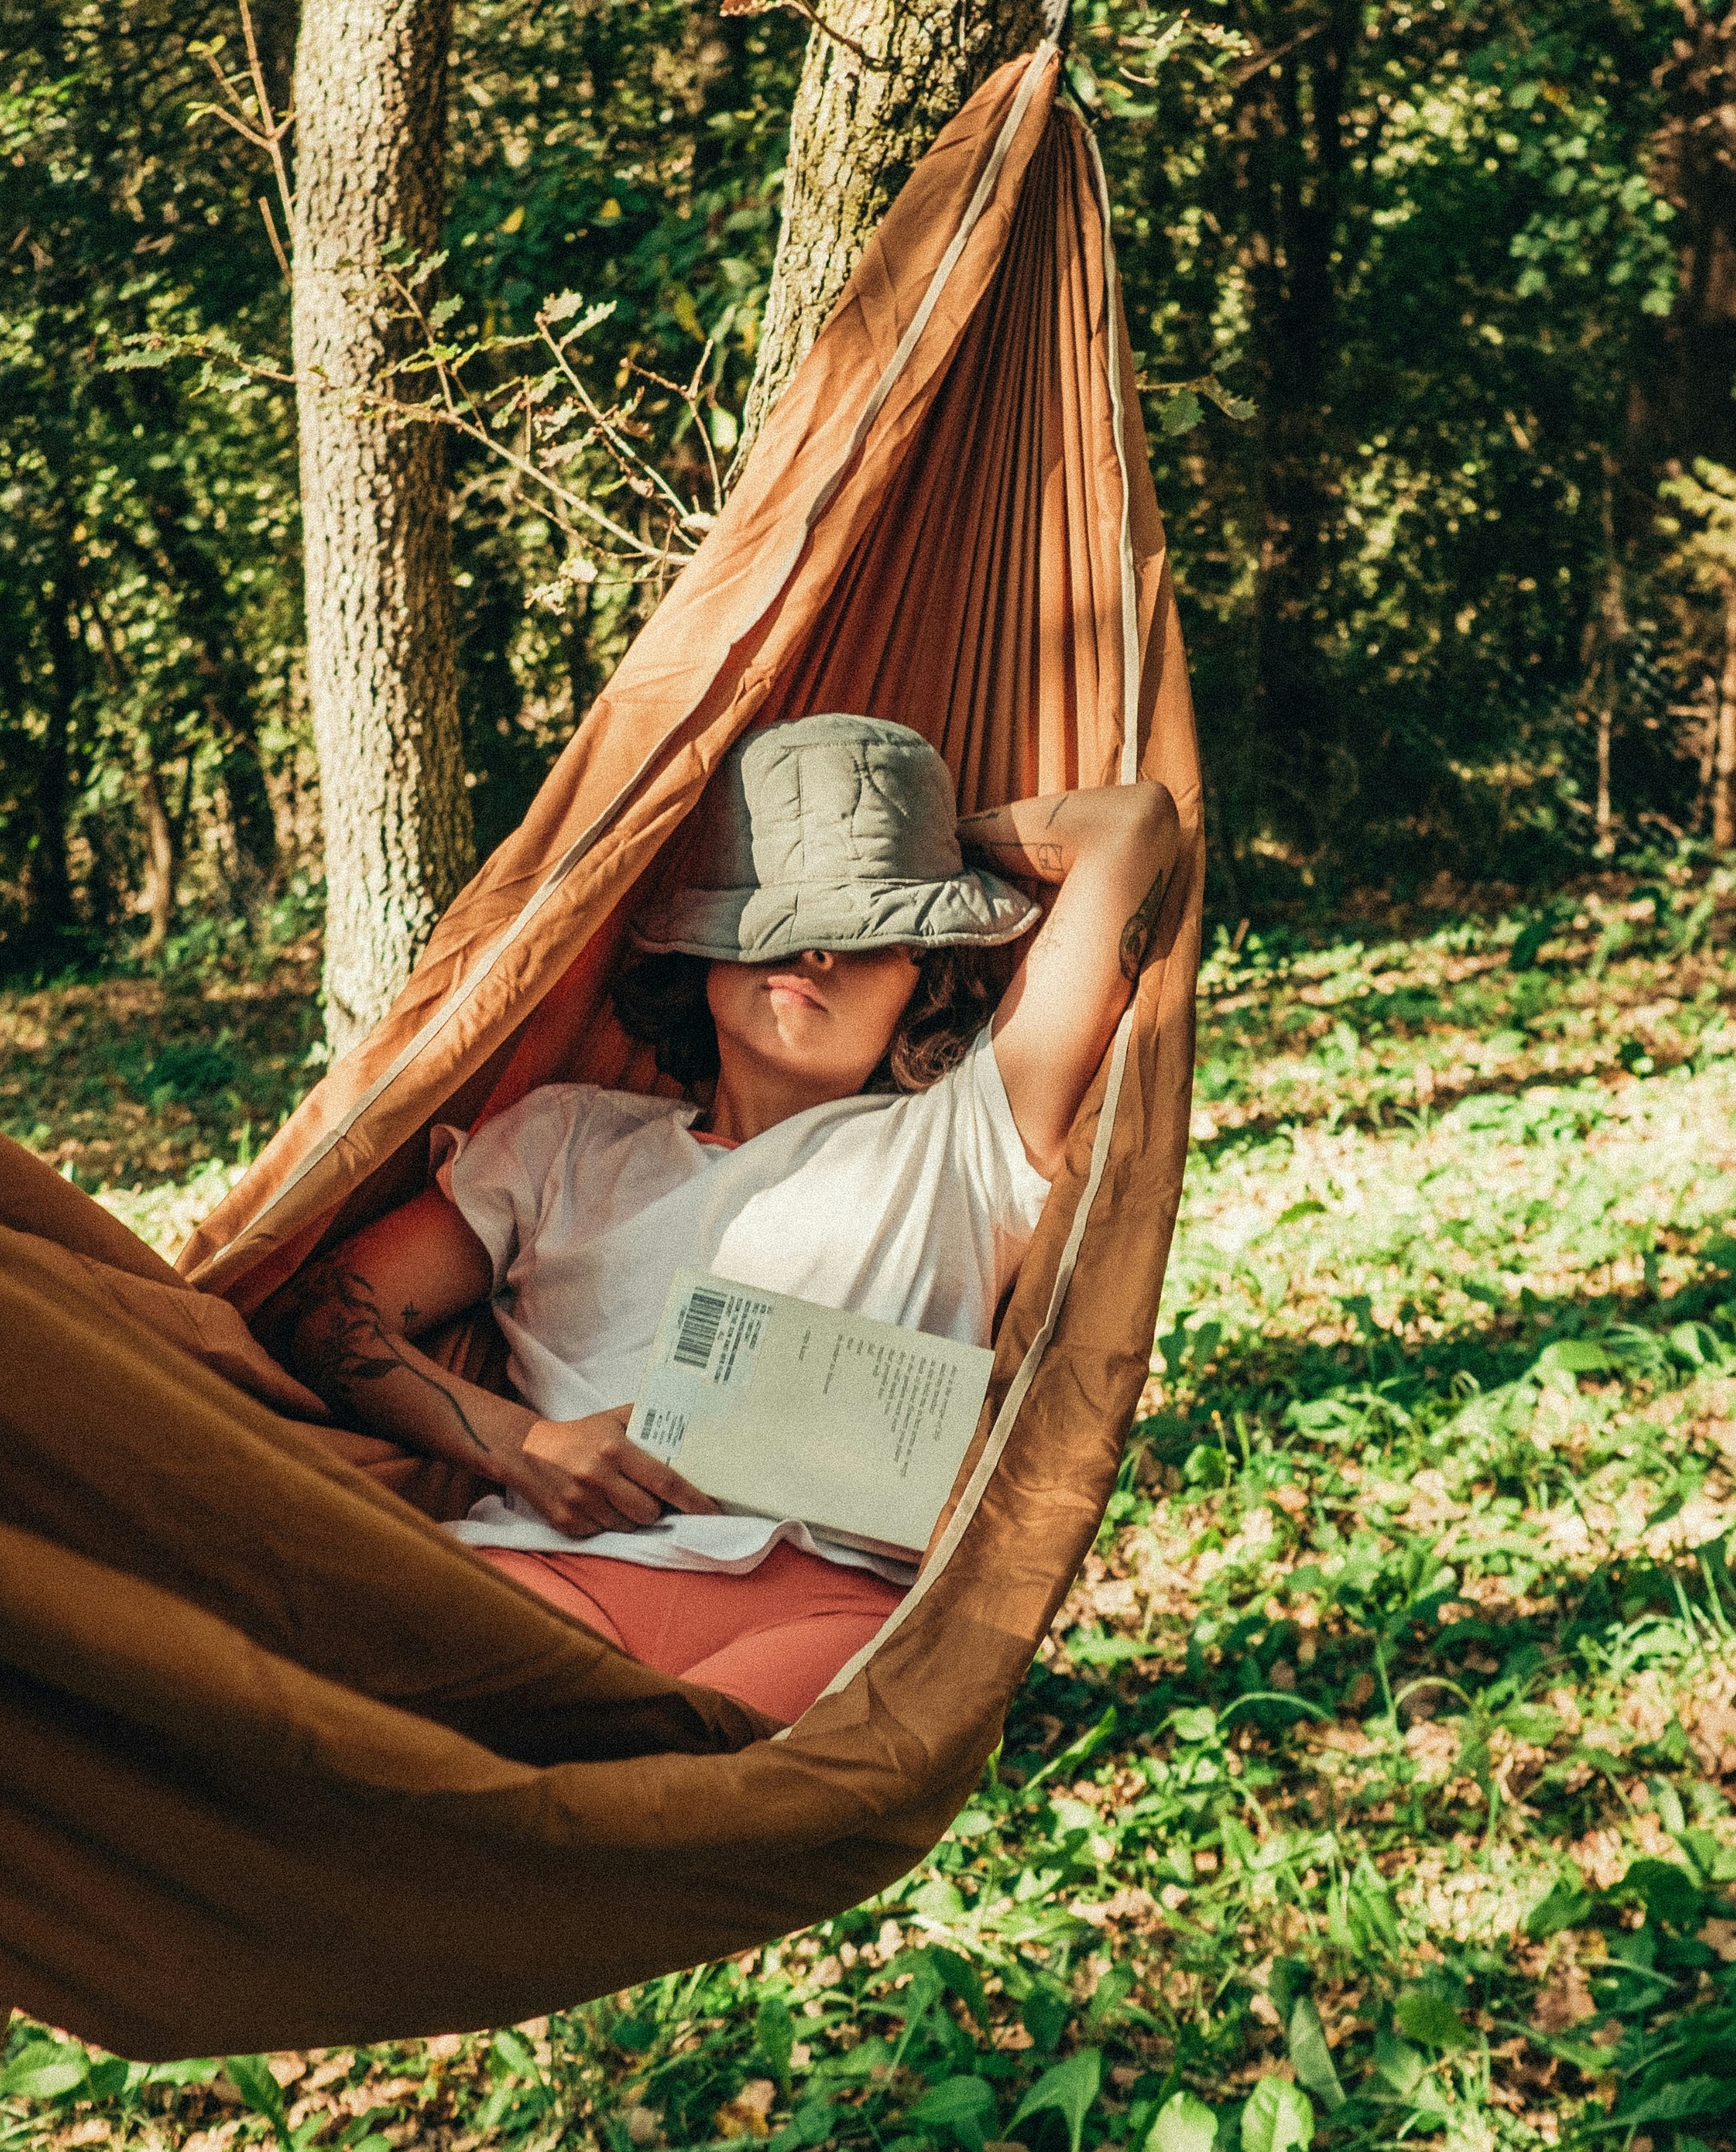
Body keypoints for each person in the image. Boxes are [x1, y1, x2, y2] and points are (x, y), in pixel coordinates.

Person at [277, 713, 1180, 1722]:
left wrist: (917, 846)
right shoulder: (565, 1140)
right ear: (703, 954)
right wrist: (522, 1446)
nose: (815, 951)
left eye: (865, 927)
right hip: (554, 1570)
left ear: (924, 975)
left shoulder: (966, 1136)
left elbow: (1132, 825)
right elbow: (326, 1310)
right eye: (776, 913)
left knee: (671, 1796)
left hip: (828, 1610)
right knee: (360, 1716)